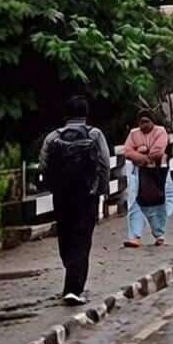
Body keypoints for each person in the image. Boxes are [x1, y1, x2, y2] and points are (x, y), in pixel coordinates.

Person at [39, 95, 110, 305]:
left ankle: (71, 276)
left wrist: (52, 186)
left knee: (66, 236)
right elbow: (104, 165)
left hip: (61, 195)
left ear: (66, 114)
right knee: (82, 239)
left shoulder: (53, 136)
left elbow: (43, 165)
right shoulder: (95, 135)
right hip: (86, 195)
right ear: (86, 114)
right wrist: (101, 190)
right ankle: (74, 288)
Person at [123, 112, 173, 247]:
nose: (144, 125)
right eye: (141, 122)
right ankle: (134, 236)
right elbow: (127, 151)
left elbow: (158, 151)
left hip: (158, 172)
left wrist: (141, 153)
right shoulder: (134, 134)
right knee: (135, 202)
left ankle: (159, 234)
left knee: (158, 202)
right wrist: (143, 156)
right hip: (139, 173)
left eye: (147, 121)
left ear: (152, 121)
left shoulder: (160, 131)